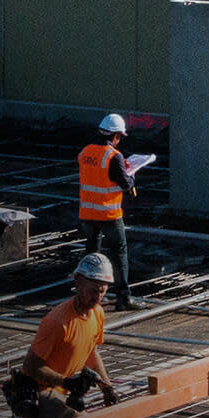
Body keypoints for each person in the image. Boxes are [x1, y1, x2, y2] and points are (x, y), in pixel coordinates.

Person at [6, 253, 123, 418]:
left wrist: (106, 386)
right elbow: (31, 366)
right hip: (39, 391)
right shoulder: (58, 321)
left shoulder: (97, 313)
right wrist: (67, 382)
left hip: (59, 389)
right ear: (78, 283)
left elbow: (91, 353)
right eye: (93, 290)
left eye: (103, 290)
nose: (98, 296)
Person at [77, 113, 138, 309]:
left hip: (88, 213)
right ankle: (123, 296)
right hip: (109, 214)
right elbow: (123, 182)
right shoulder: (114, 156)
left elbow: (96, 174)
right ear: (114, 135)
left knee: (91, 253)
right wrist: (132, 176)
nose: (119, 141)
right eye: (119, 137)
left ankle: (84, 292)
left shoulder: (85, 152)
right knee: (119, 252)